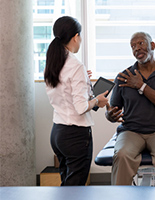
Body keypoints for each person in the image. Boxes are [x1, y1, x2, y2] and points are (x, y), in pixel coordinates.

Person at [105, 32, 155, 188]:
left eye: (141, 43)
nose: (137, 48)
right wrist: (110, 115)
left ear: (152, 45)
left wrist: (141, 86)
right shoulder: (123, 77)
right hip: (131, 131)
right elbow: (113, 109)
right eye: (133, 46)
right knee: (122, 155)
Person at [44, 16, 108, 186]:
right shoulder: (75, 65)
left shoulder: (53, 63)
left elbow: (63, 92)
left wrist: (83, 80)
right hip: (75, 135)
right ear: (75, 37)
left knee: (67, 184)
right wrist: (97, 100)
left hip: (58, 132)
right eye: (80, 37)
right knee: (75, 188)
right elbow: (80, 108)